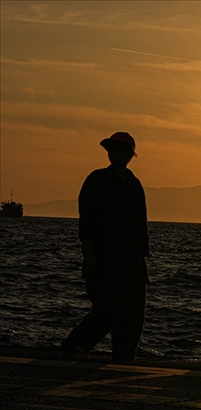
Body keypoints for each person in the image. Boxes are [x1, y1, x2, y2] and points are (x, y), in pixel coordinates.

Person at [61, 132, 149, 362]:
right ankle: (76, 344)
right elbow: (86, 220)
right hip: (103, 256)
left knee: (133, 312)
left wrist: (141, 254)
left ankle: (124, 357)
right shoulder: (97, 180)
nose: (115, 154)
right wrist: (89, 252)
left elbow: (141, 221)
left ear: (130, 155)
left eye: (121, 150)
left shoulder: (134, 184)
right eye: (112, 149)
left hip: (131, 258)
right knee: (108, 308)